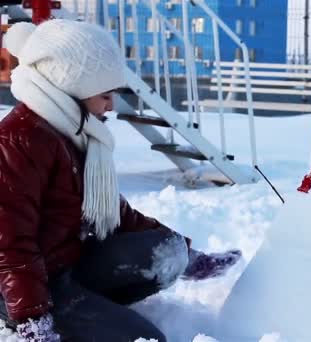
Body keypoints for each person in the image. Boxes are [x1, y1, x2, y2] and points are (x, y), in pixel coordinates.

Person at [0, 19, 241, 342]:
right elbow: (10, 247)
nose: (111, 105)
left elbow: (116, 214)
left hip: (66, 266)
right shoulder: (19, 142)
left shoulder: (74, 131)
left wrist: (186, 256)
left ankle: (90, 311)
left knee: (165, 250)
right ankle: (76, 316)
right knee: (148, 340)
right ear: (73, 86)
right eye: (105, 94)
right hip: (22, 290)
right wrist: (35, 326)